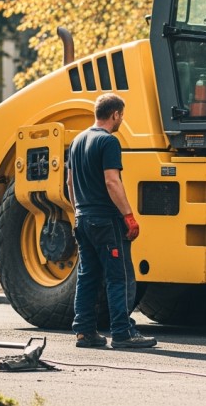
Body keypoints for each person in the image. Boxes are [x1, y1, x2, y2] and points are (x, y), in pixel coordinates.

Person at [66, 93, 156, 349]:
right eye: (121, 116)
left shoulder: (77, 141)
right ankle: (122, 332)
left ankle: (84, 332)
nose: (122, 120)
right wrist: (128, 216)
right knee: (120, 277)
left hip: (83, 219)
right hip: (106, 220)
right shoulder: (108, 142)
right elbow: (112, 181)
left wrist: (78, 212)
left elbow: (69, 183)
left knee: (87, 276)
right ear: (114, 114)